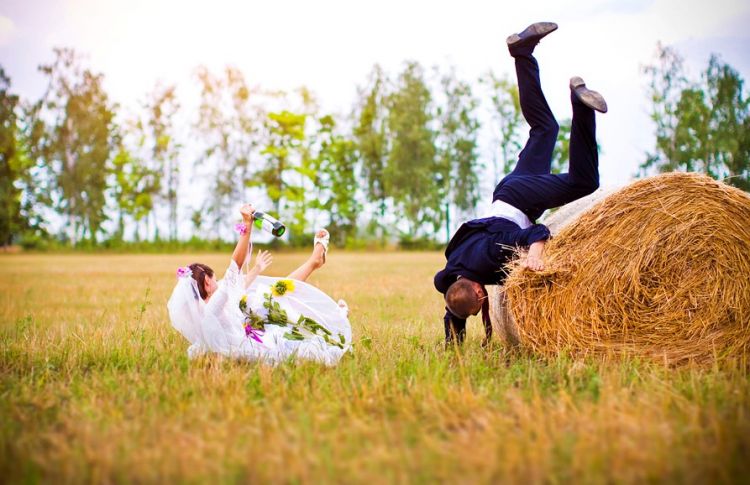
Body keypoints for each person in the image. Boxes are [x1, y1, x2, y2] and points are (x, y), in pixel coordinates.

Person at [434, 21, 608, 345]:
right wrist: (452, 345)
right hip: (508, 190)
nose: (481, 304)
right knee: (544, 130)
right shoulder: (453, 273)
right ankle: (522, 53)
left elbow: (536, 232)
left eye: (477, 303)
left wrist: (536, 256)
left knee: (585, 181)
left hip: (520, 200)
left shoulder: (490, 255)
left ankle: (582, 108)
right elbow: (453, 308)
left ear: (475, 288)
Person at [167, 204, 351, 366]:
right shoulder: (212, 308)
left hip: (254, 336)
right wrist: (247, 225)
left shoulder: (201, 319)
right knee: (277, 297)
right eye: (214, 279)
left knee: (275, 293)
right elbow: (235, 268)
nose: (217, 282)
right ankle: (335, 309)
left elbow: (238, 285)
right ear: (207, 281)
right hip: (261, 347)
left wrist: (257, 268)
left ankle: (314, 263)